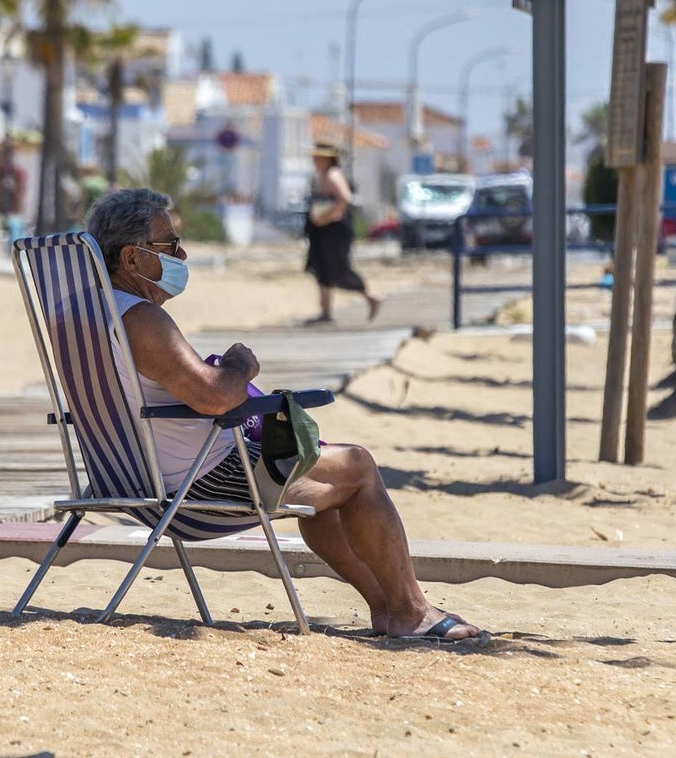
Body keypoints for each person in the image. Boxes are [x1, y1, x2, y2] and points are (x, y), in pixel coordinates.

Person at [85, 188, 479, 640]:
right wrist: (238, 367)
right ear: (132, 260)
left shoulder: (83, 317)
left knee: (329, 488)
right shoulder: (139, 320)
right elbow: (215, 400)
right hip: (196, 486)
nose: (182, 253)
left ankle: (393, 609)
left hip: (126, 480)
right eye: (169, 246)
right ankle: (409, 610)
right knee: (357, 466)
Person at [303, 142, 380, 325]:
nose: (314, 160)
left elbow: (344, 198)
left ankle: (370, 297)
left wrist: (328, 217)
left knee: (338, 267)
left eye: (318, 157)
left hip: (334, 230)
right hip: (322, 229)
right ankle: (325, 311)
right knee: (322, 268)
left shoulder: (332, 175)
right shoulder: (322, 176)